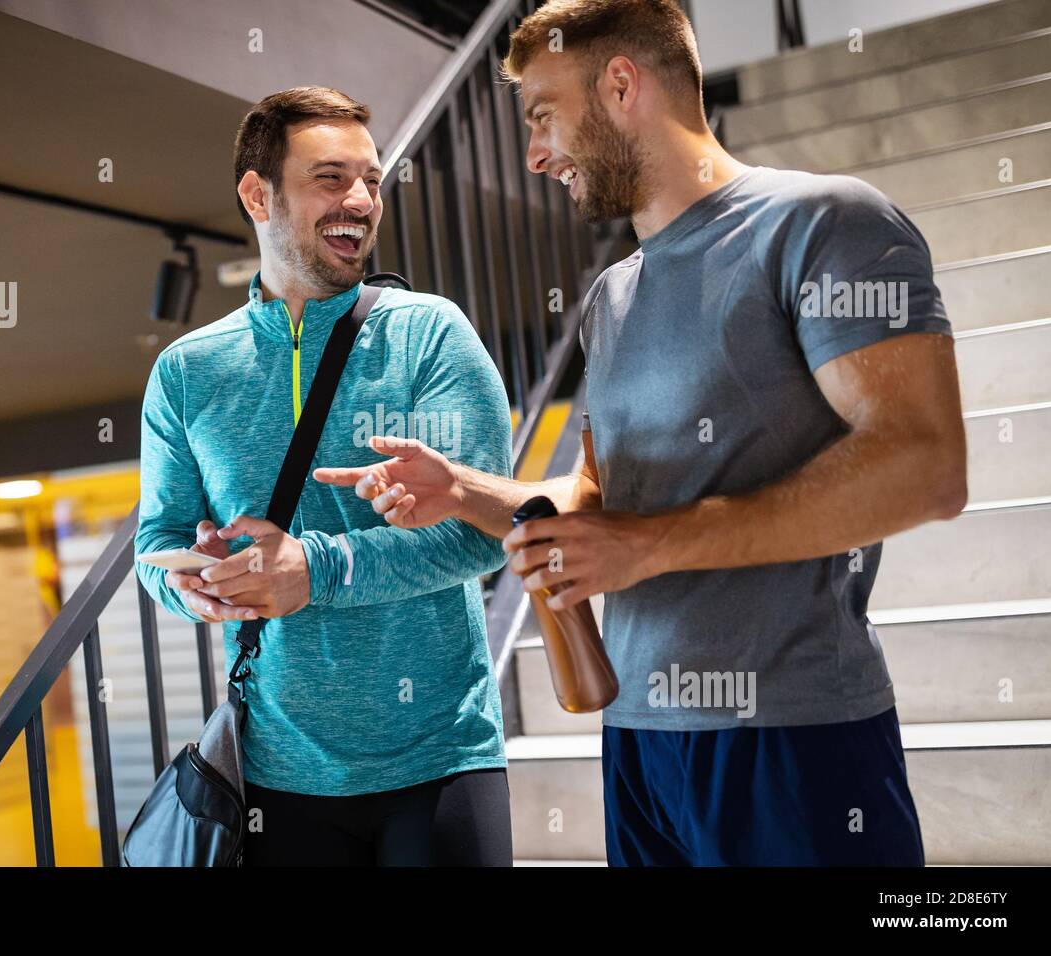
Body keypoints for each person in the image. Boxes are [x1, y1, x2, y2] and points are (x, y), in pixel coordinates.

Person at [316, 0, 967, 866]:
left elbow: (925, 466)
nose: (536, 155)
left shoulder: (823, 223)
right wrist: (464, 491)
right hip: (639, 742)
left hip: (793, 737)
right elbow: (604, 497)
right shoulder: (612, 295)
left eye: (544, 116)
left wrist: (649, 547)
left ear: (622, 84)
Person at [134, 87, 515, 865]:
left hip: (439, 757)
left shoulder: (430, 336)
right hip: (277, 771)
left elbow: (488, 534)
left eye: (371, 180)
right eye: (331, 178)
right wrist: (187, 582)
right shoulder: (189, 371)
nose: (362, 200)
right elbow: (157, 539)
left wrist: (318, 569)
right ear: (257, 194)